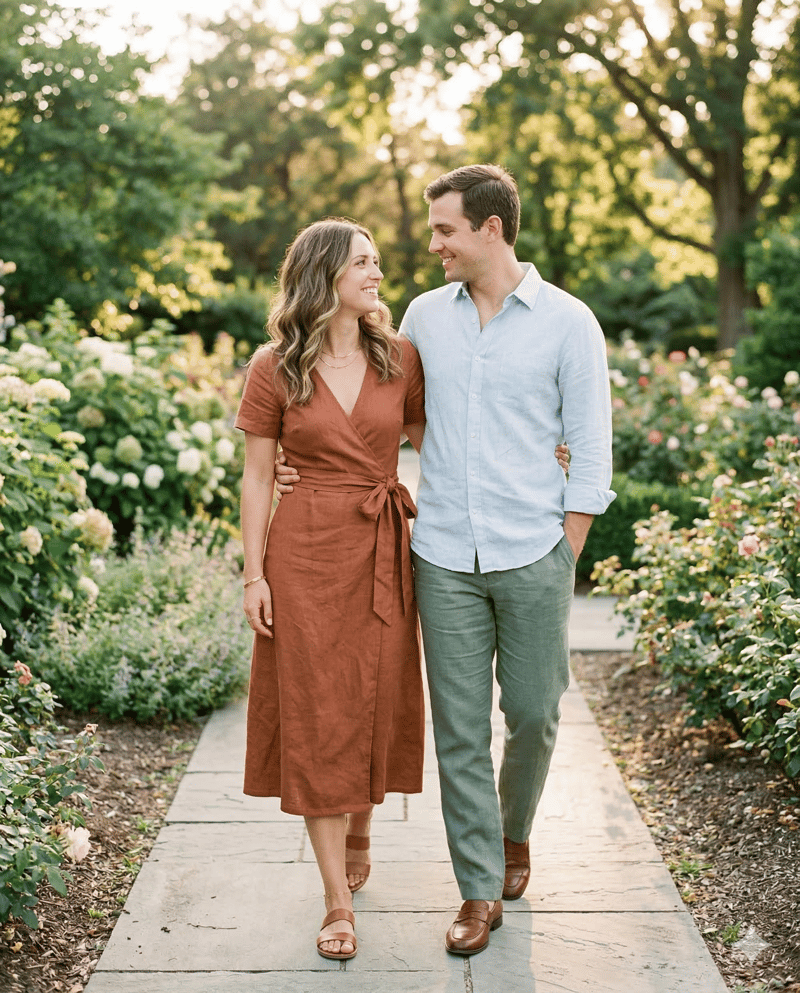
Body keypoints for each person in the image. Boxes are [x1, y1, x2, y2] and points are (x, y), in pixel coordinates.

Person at [276, 164, 614, 957]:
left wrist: (564, 550)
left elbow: (593, 450)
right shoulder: (424, 318)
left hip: (534, 549)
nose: (431, 247)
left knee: (531, 714)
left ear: (489, 229)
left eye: (444, 231)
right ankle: (478, 888)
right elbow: (374, 404)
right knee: (459, 731)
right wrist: (298, 459)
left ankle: (514, 831)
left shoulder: (569, 323)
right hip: (441, 556)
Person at [235, 218, 428, 961]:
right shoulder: (275, 364)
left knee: (374, 697)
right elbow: (257, 475)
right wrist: (254, 573)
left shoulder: (399, 356)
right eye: (363, 263)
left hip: (380, 546)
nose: (378, 273)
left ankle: (363, 824)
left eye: (378, 261)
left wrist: (548, 447)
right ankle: (336, 900)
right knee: (317, 712)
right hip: (304, 553)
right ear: (324, 273)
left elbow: (435, 441)